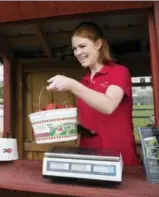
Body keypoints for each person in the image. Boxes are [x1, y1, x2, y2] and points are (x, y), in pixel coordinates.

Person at [46, 22, 140, 166]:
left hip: (119, 156)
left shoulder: (119, 72)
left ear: (98, 44)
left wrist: (72, 85)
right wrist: (64, 126)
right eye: (75, 49)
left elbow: (109, 105)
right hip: (88, 156)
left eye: (82, 46)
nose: (78, 53)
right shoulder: (84, 81)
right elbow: (89, 120)